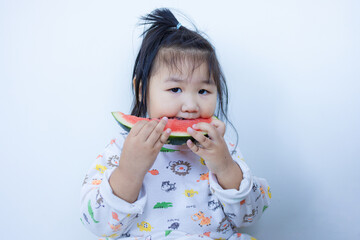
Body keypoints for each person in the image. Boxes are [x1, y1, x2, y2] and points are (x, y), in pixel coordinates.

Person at [80, 8, 271, 240]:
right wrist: (128, 171)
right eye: (175, 89)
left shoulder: (222, 148)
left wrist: (224, 167)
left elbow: (249, 216)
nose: (190, 105)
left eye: (203, 90)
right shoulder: (122, 148)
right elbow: (96, 222)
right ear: (141, 91)